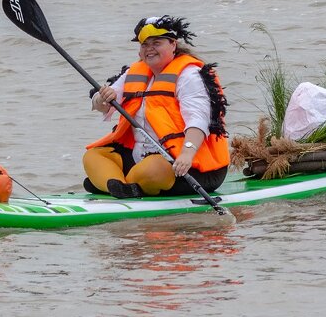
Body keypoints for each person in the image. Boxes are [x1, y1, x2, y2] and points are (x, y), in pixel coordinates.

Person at [83, 15, 230, 199]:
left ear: (173, 45)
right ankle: (122, 186)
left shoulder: (190, 75)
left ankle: (112, 184)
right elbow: (102, 105)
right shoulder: (134, 72)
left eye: (156, 43)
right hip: (141, 157)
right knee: (93, 156)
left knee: (154, 168)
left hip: (187, 163)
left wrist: (187, 153)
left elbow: (198, 119)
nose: (149, 49)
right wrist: (102, 98)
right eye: (144, 44)